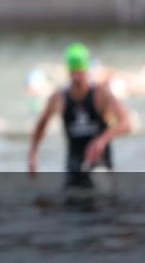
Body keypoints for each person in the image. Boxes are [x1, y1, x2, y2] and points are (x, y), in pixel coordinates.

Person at [28, 43, 132, 188]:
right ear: (68, 71)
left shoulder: (101, 94)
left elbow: (126, 123)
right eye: (74, 72)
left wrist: (102, 140)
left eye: (80, 72)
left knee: (100, 186)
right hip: (74, 166)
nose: (77, 77)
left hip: (100, 163)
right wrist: (33, 155)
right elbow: (41, 125)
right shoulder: (59, 98)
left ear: (87, 70)